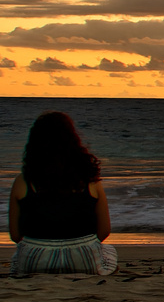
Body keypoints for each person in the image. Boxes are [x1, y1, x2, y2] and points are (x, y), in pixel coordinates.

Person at [8, 111, 117, 275]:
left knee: (18, 258)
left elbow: (16, 235)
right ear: (73, 141)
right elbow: (104, 231)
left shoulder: (23, 181)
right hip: (83, 256)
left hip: (35, 257)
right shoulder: (90, 180)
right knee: (109, 251)